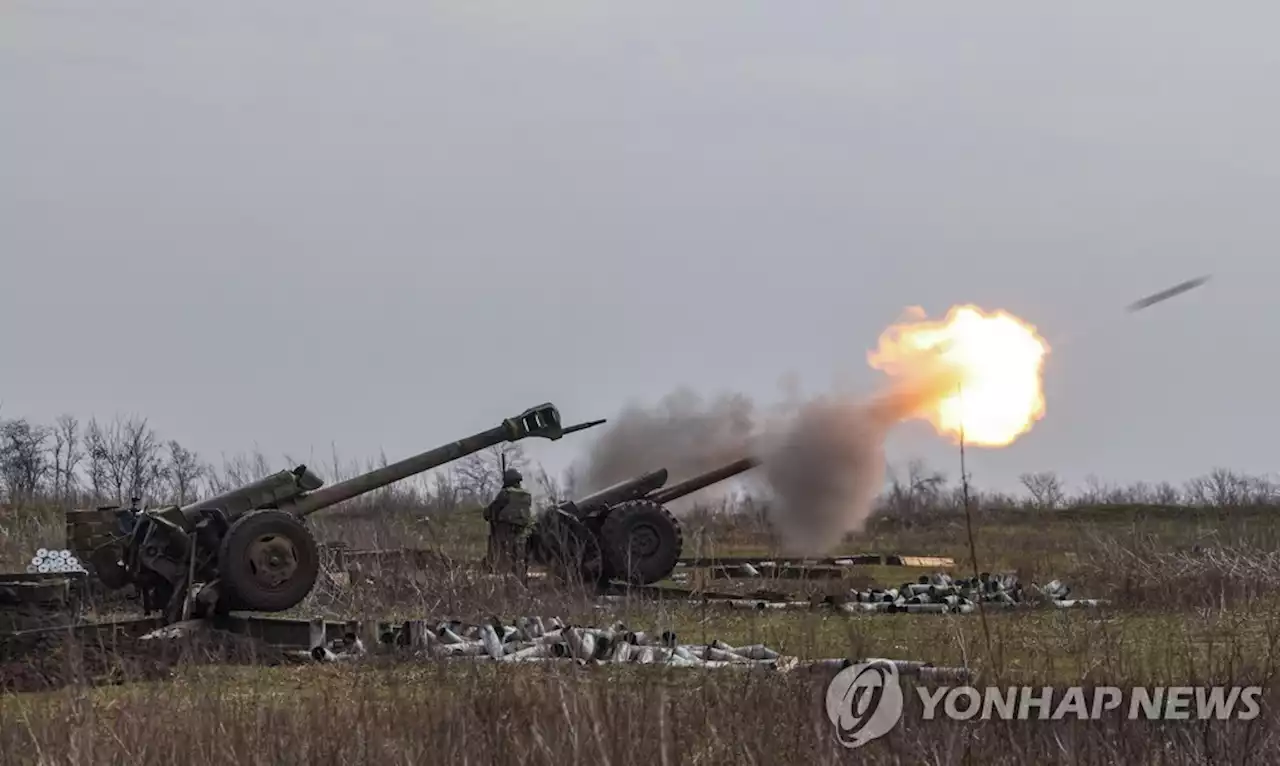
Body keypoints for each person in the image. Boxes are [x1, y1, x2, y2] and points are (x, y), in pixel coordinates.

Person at [483, 467, 533, 581]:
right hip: (521, 531)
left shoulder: (505, 494)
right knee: (518, 555)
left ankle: (495, 568)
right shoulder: (526, 495)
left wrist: (486, 513)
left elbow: (491, 511)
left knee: (500, 552)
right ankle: (519, 573)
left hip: (504, 531)